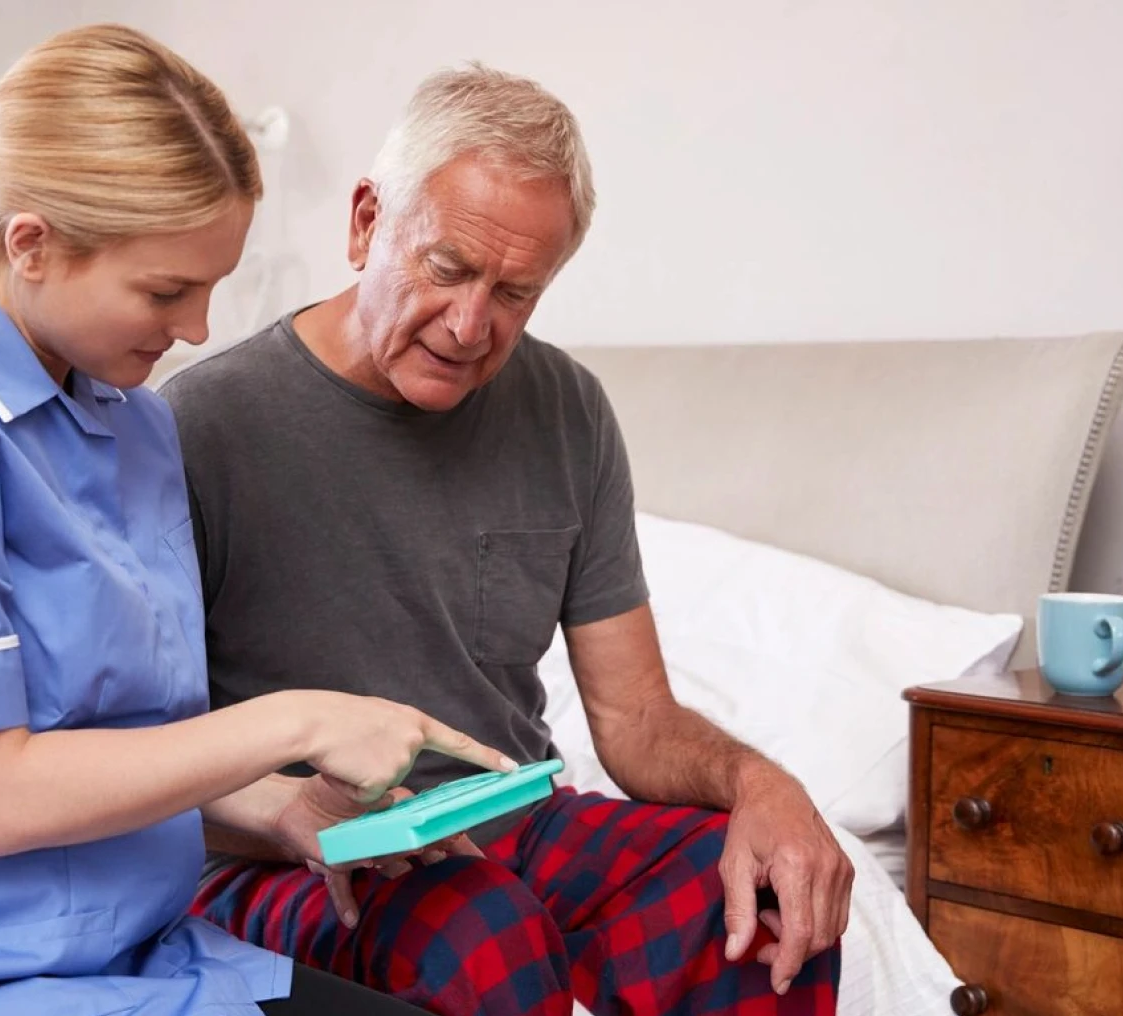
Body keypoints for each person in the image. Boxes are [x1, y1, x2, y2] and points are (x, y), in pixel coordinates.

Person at [0, 24, 511, 1016]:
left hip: (131, 951)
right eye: (165, 290)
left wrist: (283, 805)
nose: (195, 328)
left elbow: (108, 735)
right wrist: (304, 718)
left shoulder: (133, 421)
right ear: (32, 243)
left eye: (212, 287)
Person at [161, 63, 853, 1016]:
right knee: (479, 925)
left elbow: (636, 723)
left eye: (516, 293)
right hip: (286, 852)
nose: (470, 325)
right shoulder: (204, 424)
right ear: (366, 222)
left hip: (504, 826)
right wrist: (291, 811)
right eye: (445, 269)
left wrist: (760, 785)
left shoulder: (568, 411)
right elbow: (144, 751)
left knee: (755, 890)